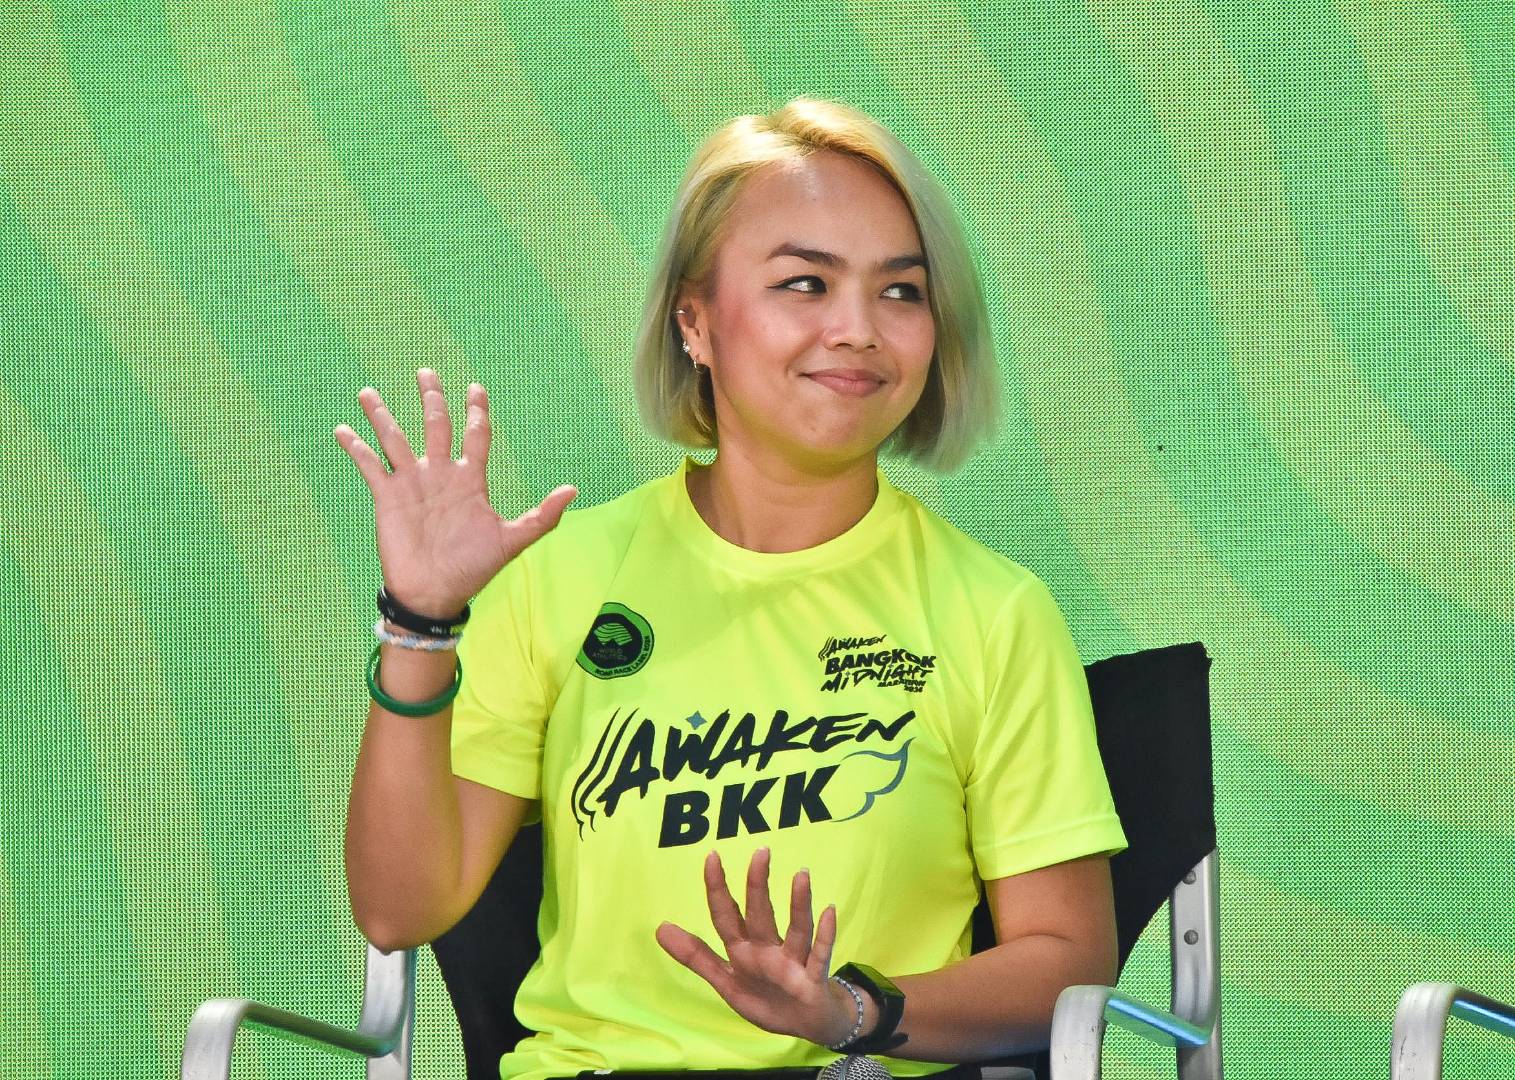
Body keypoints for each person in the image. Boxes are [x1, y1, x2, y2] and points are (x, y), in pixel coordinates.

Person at [337, 97, 1127, 1080]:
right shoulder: (561, 580)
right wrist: (421, 624)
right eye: (806, 283)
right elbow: (398, 909)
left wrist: (850, 1009)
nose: (858, 330)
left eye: (901, 292)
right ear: (695, 322)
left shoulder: (994, 613)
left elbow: (1068, 964)